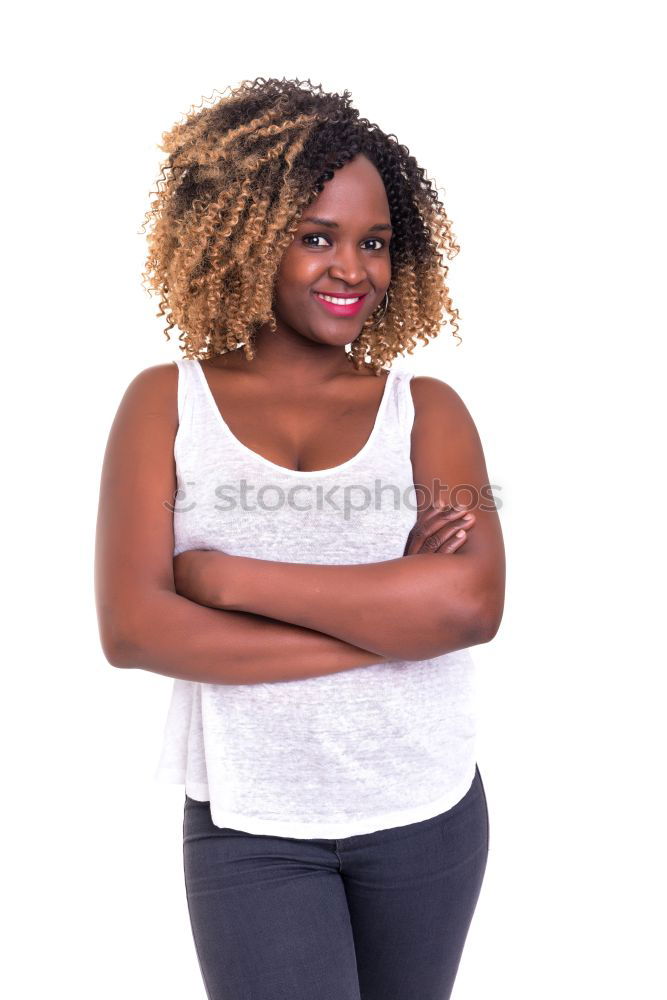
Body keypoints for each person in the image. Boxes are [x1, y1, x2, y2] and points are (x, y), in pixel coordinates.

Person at [95, 76, 506, 1000]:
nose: (351, 269)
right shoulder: (166, 405)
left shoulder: (425, 412)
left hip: (427, 810)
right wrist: (387, 615)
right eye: (315, 236)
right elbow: (133, 631)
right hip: (250, 824)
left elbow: (470, 606)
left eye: (375, 243)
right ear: (239, 236)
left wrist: (218, 575)